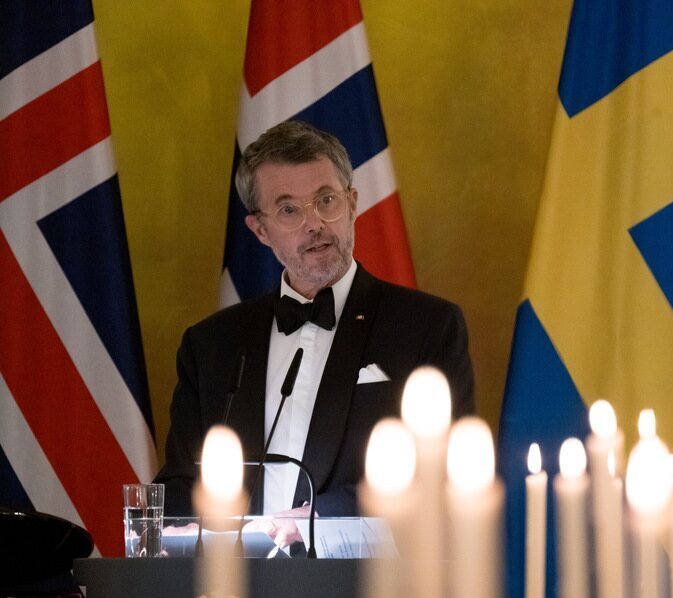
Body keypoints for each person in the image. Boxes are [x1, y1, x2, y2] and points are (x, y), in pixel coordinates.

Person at [154, 120, 475, 536]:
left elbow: (443, 469)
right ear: (261, 230)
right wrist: (173, 528)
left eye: (326, 200)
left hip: (364, 589)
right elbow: (181, 481)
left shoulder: (427, 327)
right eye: (289, 210)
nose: (315, 223)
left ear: (353, 203)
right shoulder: (211, 345)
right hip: (235, 593)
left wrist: (321, 520)